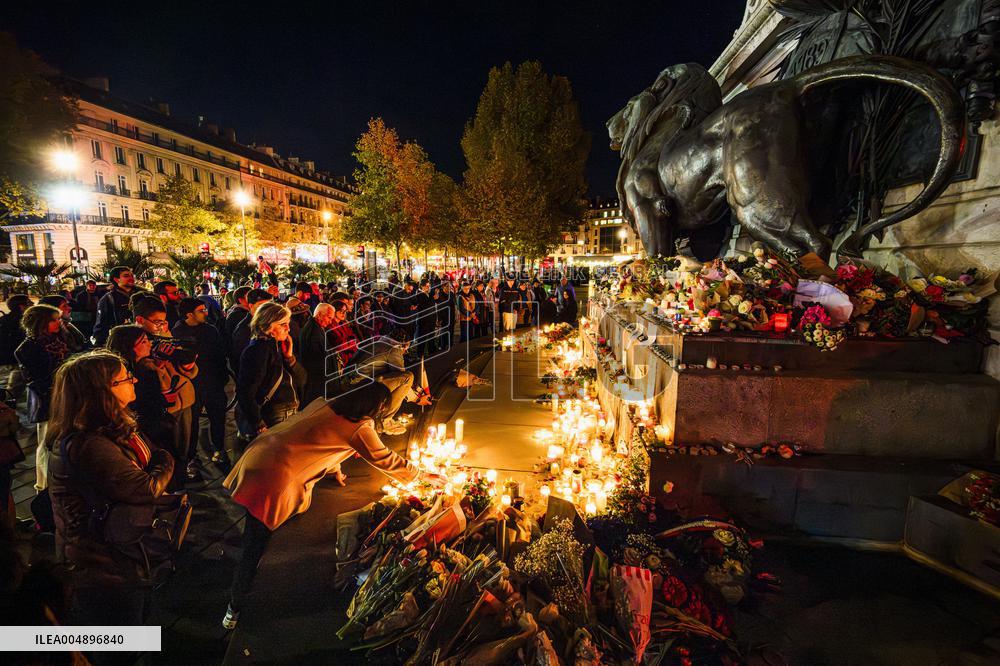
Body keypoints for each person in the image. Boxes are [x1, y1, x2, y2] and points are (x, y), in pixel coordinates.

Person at [221, 381, 430, 630]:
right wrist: (420, 475)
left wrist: (334, 469)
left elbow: (317, 439)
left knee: (259, 527)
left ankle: (255, 576)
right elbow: (384, 458)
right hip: (275, 474)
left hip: (262, 452)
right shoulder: (360, 427)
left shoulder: (326, 403)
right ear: (378, 407)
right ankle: (234, 607)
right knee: (254, 543)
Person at [46, 351, 174, 664]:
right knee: (118, 645)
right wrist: (166, 461)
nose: (134, 380)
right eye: (125, 378)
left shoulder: (114, 429)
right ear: (102, 392)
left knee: (135, 627)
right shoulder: (90, 444)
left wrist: (157, 461)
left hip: (121, 552)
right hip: (102, 565)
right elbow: (144, 486)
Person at [132, 296, 199, 485]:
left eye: (164, 321)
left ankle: (183, 471)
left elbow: (186, 371)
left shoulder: (167, 336)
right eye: (157, 322)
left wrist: (188, 364)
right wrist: (158, 365)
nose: (161, 326)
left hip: (184, 397)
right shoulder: (136, 343)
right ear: (140, 320)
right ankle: (174, 483)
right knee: (170, 447)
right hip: (165, 406)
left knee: (187, 442)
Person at [16, 304, 70, 528]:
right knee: (47, 442)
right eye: (54, 320)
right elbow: (36, 379)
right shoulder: (28, 348)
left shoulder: (61, 340)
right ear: (41, 323)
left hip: (65, 395)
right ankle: (43, 485)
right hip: (48, 400)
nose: (60, 322)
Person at [173, 298, 231, 470]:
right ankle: (191, 456)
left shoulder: (210, 330)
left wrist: (222, 378)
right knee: (192, 423)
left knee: (218, 418)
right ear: (189, 314)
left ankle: (219, 448)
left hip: (213, 382)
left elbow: (220, 354)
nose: (205, 313)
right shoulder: (177, 333)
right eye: (201, 310)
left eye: (205, 309)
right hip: (192, 385)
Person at [236, 302, 306, 436]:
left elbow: (302, 380)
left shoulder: (278, 346)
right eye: (283, 324)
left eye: (288, 323)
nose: (288, 329)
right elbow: (246, 391)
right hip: (275, 415)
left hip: (288, 410)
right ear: (267, 327)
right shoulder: (258, 351)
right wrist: (258, 423)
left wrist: (290, 357)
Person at [106, 325, 176, 454]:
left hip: (157, 427)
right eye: (143, 341)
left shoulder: (148, 368)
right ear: (129, 346)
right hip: (144, 432)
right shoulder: (124, 376)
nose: (149, 344)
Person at [347, 327, 414, 435]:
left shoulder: (375, 342)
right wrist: (416, 398)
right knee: (408, 377)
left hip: (349, 384)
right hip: (362, 387)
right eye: (406, 348)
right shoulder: (394, 350)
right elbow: (401, 377)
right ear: (404, 345)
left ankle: (379, 416)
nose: (405, 351)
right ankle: (385, 422)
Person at [297, 302, 337, 406]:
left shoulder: (317, 327)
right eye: (329, 317)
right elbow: (317, 360)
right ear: (319, 314)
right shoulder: (313, 331)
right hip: (316, 382)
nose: (331, 321)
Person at [230, 288, 274, 372]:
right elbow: (243, 360)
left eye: (269, 305)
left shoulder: (264, 323)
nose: (267, 309)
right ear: (250, 306)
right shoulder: (245, 329)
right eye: (262, 305)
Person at [92, 266, 138, 345]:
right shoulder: (108, 299)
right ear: (116, 279)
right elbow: (101, 325)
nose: (131, 278)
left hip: (141, 340)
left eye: (131, 275)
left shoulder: (141, 295)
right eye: (126, 276)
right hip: (122, 342)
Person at [0, 294, 32, 399]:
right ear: (21, 306)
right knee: (12, 394)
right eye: (28, 302)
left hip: (5, 361)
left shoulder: (4, 319)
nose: (32, 304)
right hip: (16, 362)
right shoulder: (24, 322)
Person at [326, 300, 359, 370]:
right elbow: (338, 345)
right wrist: (351, 343)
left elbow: (354, 337)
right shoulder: (329, 326)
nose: (344, 314)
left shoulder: (344, 323)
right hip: (341, 360)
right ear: (334, 311)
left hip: (351, 356)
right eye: (341, 311)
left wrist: (350, 342)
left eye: (345, 311)